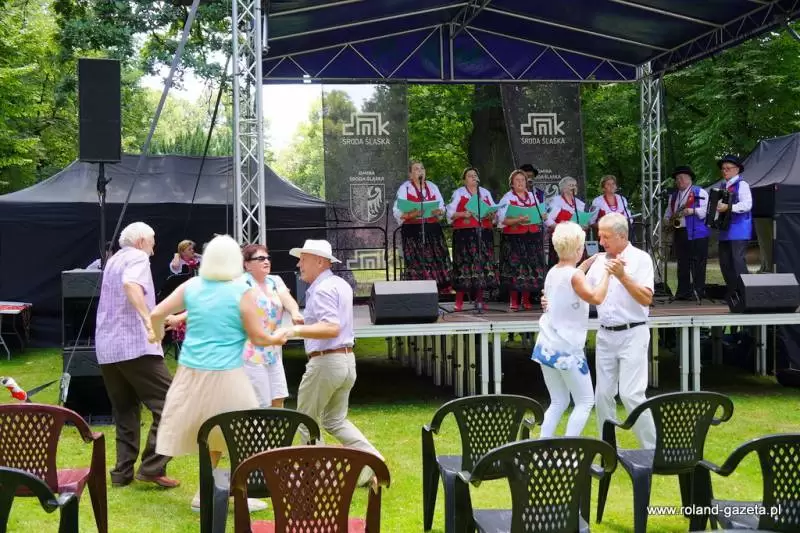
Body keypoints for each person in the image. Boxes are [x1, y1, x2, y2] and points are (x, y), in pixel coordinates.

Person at [149, 234, 289, 511]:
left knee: (211, 437)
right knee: (242, 436)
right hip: (227, 376)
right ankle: (237, 494)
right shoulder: (242, 291)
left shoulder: (192, 286)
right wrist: (278, 337)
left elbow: (156, 315)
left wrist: (156, 337)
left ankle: (206, 494)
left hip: (190, 375)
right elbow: (258, 337)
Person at [287, 239, 383, 487]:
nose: (299, 264)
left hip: (326, 362)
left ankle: (317, 478)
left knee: (306, 421)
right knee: (335, 420)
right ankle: (375, 464)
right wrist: (306, 325)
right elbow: (332, 323)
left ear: (320, 261)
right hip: (346, 360)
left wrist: (293, 331)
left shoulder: (321, 289)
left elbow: (330, 327)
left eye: (303, 259)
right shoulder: (339, 284)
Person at [94, 222, 179, 489]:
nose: (154, 249)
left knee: (125, 411)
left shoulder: (113, 260)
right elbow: (131, 285)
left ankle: (122, 473)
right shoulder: (138, 257)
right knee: (173, 403)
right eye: (152, 242)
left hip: (108, 347)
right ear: (142, 241)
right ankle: (152, 467)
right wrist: (148, 320)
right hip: (135, 345)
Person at [533, 222, 611, 438]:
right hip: (567, 348)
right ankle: (569, 446)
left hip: (546, 344)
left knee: (558, 401)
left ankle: (542, 446)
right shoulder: (575, 276)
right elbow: (595, 297)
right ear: (578, 249)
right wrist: (608, 274)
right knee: (585, 401)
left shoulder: (553, 271)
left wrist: (585, 265)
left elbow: (570, 279)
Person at [586, 212, 656, 449]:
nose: (601, 241)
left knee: (630, 394)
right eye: (600, 236)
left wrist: (622, 276)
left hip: (633, 332)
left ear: (622, 236)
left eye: (605, 237)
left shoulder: (640, 259)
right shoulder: (598, 261)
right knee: (602, 395)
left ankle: (652, 449)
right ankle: (607, 449)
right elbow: (587, 293)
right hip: (605, 333)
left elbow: (646, 298)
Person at [240, 243, 303, 408]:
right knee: (261, 402)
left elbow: (287, 299)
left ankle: (276, 426)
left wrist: (295, 312)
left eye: (268, 258)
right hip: (250, 351)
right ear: (247, 264)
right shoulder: (241, 283)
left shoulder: (275, 281)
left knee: (278, 397)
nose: (266, 261)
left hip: (273, 351)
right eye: (260, 258)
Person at [392, 161, 452, 293]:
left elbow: (441, 206)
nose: (420, 171)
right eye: (416, 169)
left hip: (432, 229)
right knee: (417, 262)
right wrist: (412, 214)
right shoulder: (405, 188)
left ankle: (438, 291)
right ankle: (420, 293)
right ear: (410, 174)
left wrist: (439, 211)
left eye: (422, 168)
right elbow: (397, 211)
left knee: (436, 260)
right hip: (413, 231)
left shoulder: (432, 186)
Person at [445, 167, 499, 311]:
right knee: (463, 266)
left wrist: (492, 215)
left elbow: (494, 211)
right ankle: (459, 301)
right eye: (470, 176)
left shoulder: (484, 192)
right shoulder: (459, 193)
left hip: (483, 233)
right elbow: (449, 212)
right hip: (465, 234)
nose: (473, 177)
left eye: (475, 175)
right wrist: (463, 214)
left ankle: (480, 300)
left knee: (482, 265)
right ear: (464, 180)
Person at [497, 169, 546, 311]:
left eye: (523, 180)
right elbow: (501, 220)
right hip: (514, 238)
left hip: (532, 237)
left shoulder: (532, 196)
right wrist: (518, 219)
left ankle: (526, 299)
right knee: (515, 268)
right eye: (517, 180)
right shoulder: (507, 198)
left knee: (530, 268)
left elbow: (540, 213)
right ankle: (514, 300)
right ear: (512, 183)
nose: (520, 182)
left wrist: (542, 216)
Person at [664, 166, 710, 300]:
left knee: (698, 263)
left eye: (682, 178)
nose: (679, 181)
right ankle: (682, 292)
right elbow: (668, 212)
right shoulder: (674, 196)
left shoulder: (699, 192)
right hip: (680, 231)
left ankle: (698, 291)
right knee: (682, 263)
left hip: (697, 232)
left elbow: (706, 211)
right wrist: (667, 220)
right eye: (677, 179)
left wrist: (692, 211)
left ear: (690, 178)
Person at [715, 154, 752, 291]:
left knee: (737, 261)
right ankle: (733, 292)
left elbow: (747, 205)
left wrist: (729, 207)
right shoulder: (723, 186)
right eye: (723, 169)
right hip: (725, 229)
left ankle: (745, 292)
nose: (724, 171)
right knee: (725, 263)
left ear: (737, 170)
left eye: (728, 168)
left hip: (739, 229)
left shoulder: (742, 184)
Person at [545, 176, 589, 267]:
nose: (574, 187)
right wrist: (560, 228)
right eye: (571, 185)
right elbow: (547, 219)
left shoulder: (579, 203)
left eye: (575, 185)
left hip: (576, 238)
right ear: (563, 188)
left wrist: (584, 225)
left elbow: (583, 221)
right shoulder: (556, 201)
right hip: (561, 238)